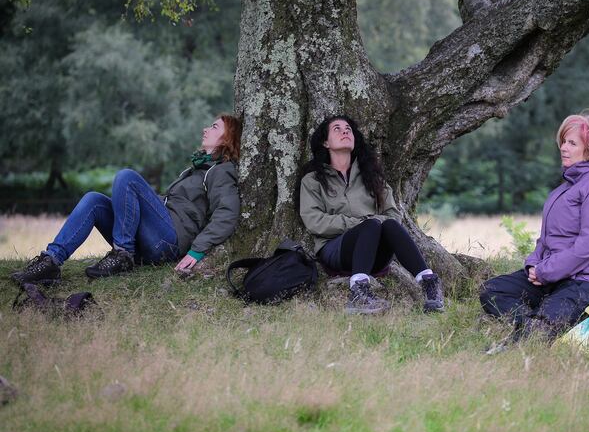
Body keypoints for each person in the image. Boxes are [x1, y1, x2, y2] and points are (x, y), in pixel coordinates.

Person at [11, 114, 242, 283]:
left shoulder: (221, 171)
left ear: (227, 138)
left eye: (214, 127)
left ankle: (122, 254)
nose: (205, 129)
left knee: (127, 177)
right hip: (151, 238)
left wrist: (196, 250)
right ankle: (51, 262)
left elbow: (227, 214)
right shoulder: (196, 170)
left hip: (168, 242)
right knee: (93, 200)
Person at [480, 111, 589, 343]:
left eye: (572, 143)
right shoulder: (565, 188)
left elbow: (588, 245)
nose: (563, 147)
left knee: (541, 330)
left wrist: (545, 271)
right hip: (553, 276)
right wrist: (534, 264)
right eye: (563, 141)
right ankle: (533, 324)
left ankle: (534, 331)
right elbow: (546, 239)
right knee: (492, 291)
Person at [298, 115, 444, 315]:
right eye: (337, 129)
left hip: (375, 252)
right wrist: (360, 223)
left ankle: (429, 284)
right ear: (325, 142)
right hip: (335, 249)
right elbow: (314, 221)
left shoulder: (371, 176)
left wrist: (370, 223)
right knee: (371, 225)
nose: (345, 131)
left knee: (389, 225)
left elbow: (393, 214)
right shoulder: (313, 180)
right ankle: (358, 292)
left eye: (348, 129)